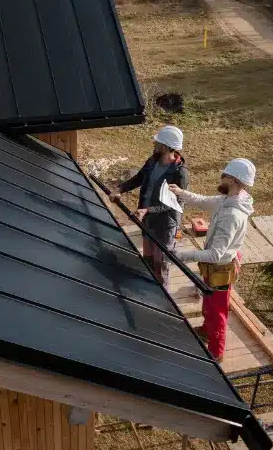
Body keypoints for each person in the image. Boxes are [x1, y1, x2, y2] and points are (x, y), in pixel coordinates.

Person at [167, 158, 256, 362]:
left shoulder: (233, 214)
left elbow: (216, 254)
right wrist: (181, 193)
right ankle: (207, 331)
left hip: (221, 268)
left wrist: (182, 256)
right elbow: (204, 200)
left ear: (233, 180)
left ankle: (216, 353)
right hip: (215, 267)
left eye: (224, 175)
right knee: (209, 303)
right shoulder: (230, 199)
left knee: (218, 313)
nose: (220, 177)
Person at [110, 125, 189, 289]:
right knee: (148, 260)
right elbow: (139, 178)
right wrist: (120, 189)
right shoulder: (152, 161)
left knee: (161, 264)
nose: (154, 144)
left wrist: (148, 210)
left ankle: (163, 299)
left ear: (166, 147)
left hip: (165, 225)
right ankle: (148, 290)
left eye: (157, 142)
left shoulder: (179, 173)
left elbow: (174, 203)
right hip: (148, 220)